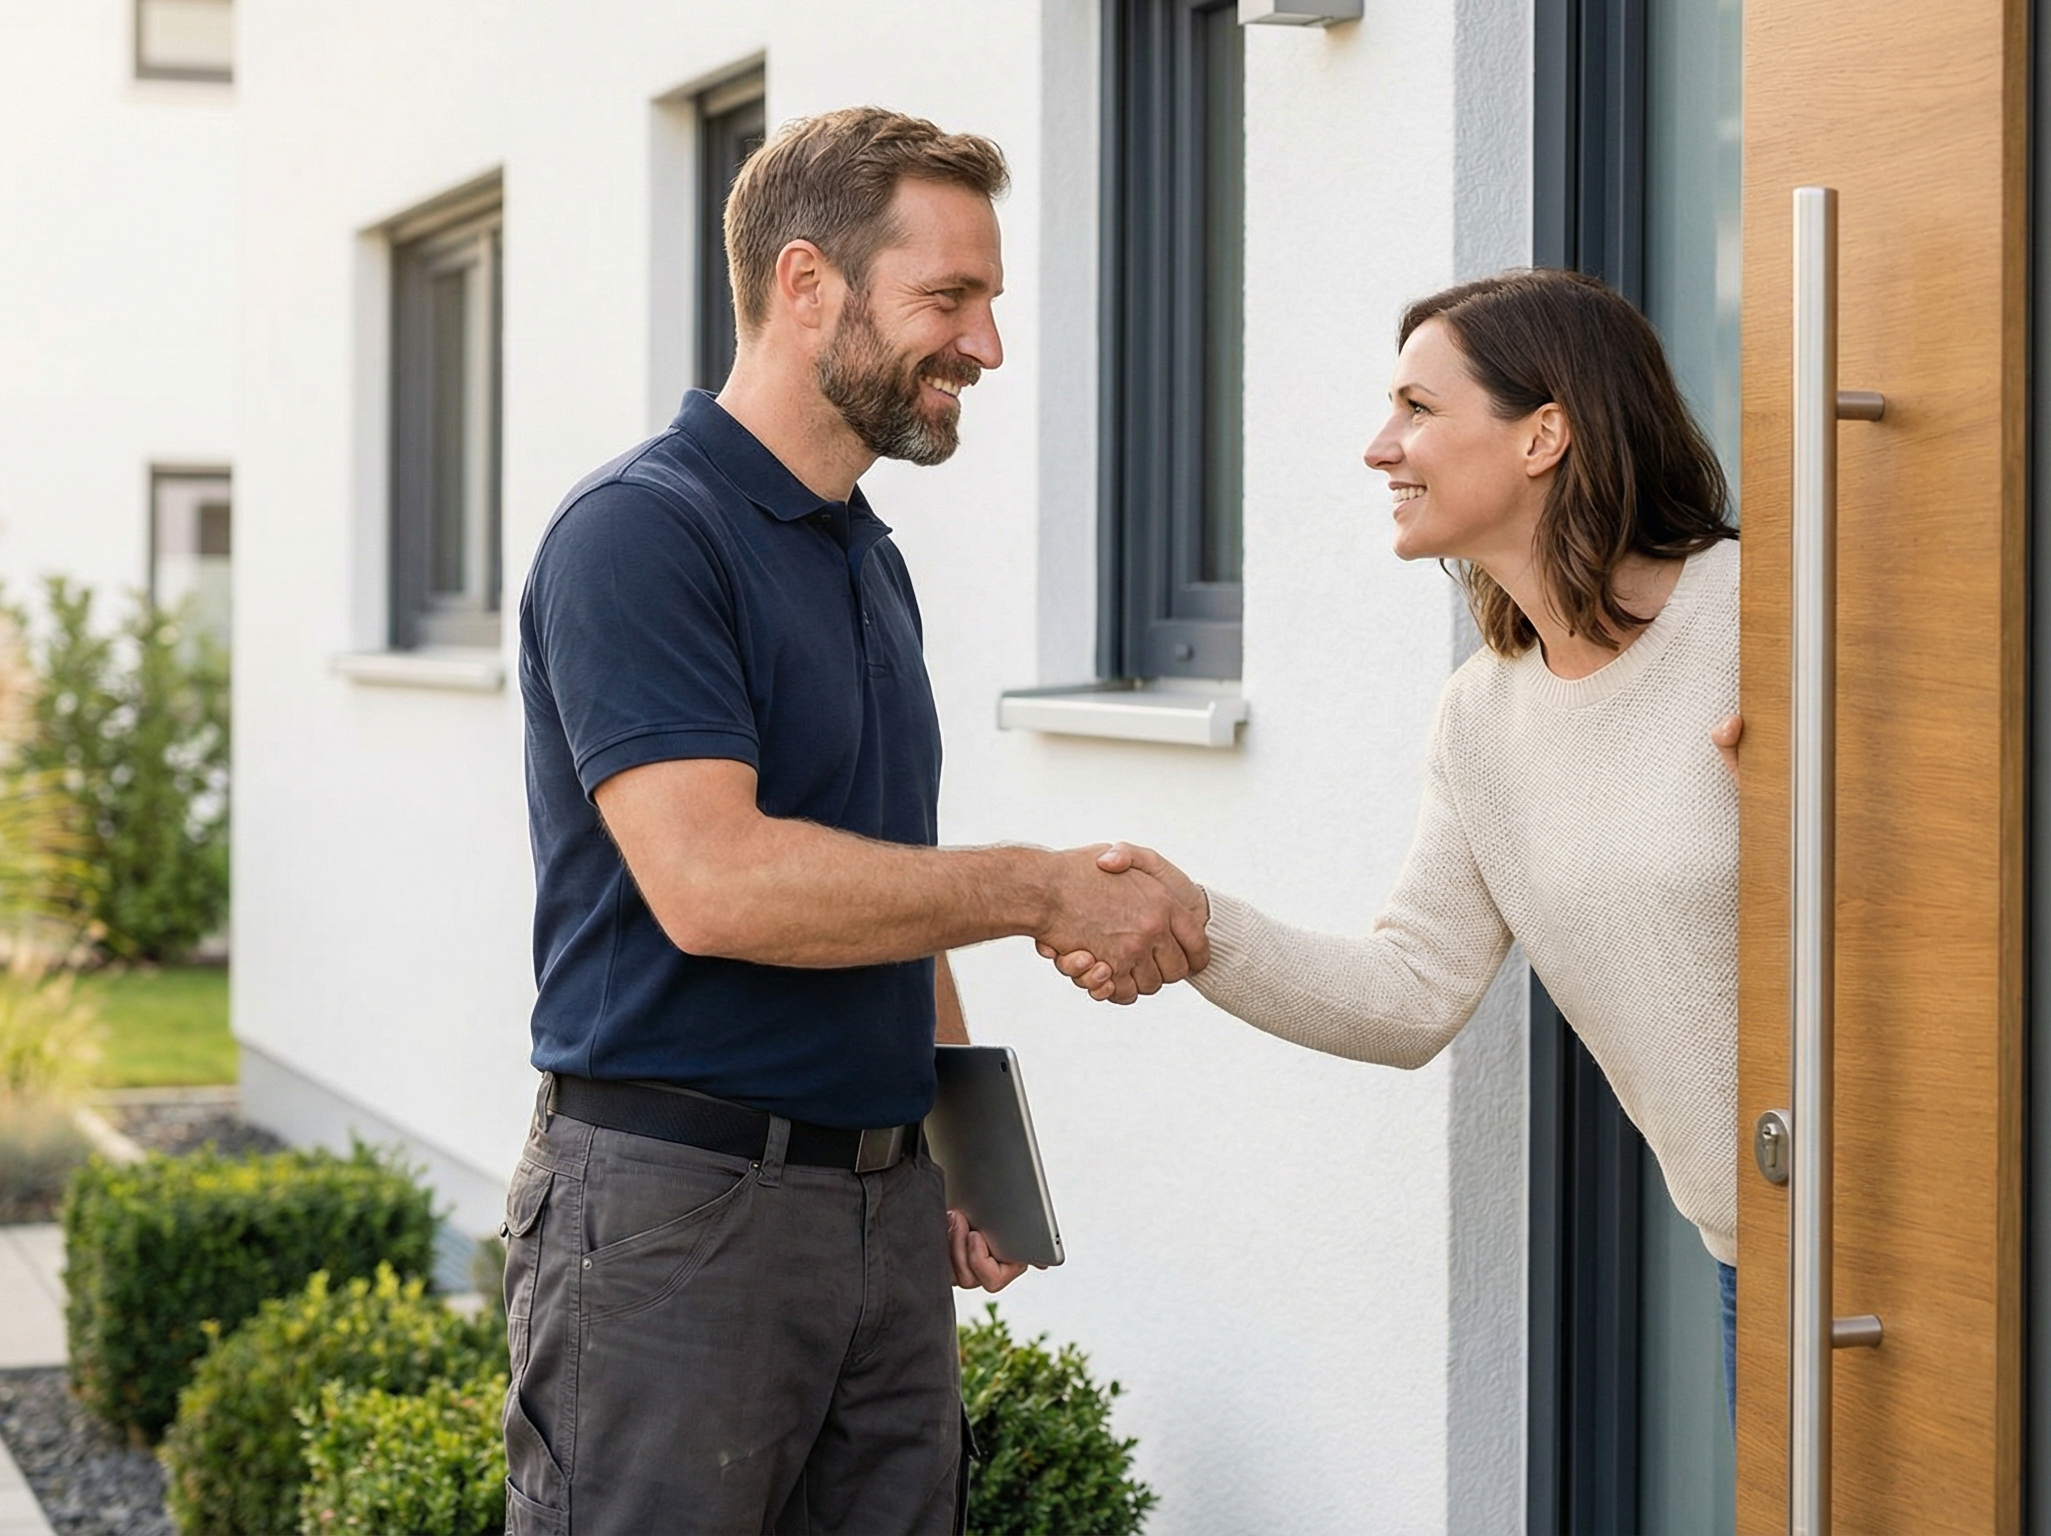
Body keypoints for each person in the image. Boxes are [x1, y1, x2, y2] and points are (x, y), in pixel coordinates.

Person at [503, 106, 1207, 1536]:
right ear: (806, 284)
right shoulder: (640, 535)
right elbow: (717, 883)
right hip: (676, 1219)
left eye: (990, 302)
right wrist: (1038, 887)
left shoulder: (866, 560)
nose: (986, 347)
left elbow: (887, 877)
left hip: (879, 1213)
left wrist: (952, 1137)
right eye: (949, 299)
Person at [1049, 268, 1747, 1400]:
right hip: (1750, 1254)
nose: (1381, 448)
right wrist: (1196, 924)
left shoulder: (1752, 613)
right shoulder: (1484, 715)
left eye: (1418, 408)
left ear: (1544, 435)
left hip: (1926, 1213)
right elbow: (1410, 991)